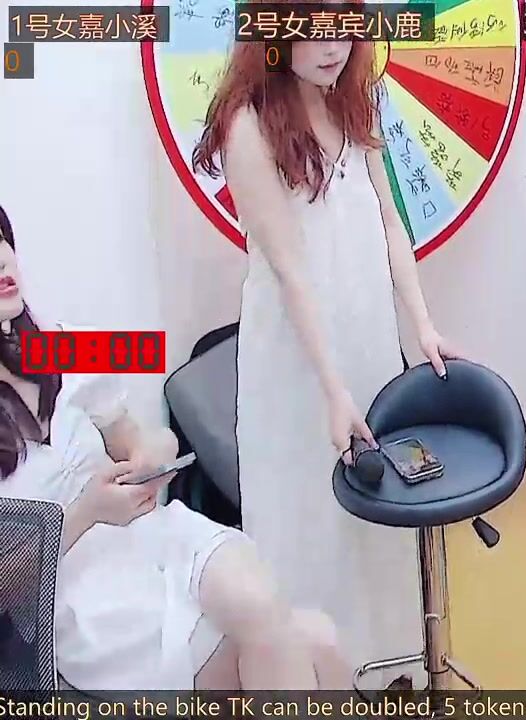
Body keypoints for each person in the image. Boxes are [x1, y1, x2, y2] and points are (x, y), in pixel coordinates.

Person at [191, 18, 463, 674]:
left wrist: (422, 325)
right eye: (313, 29)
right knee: (309, 517)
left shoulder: (353, 99)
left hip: (367, 337)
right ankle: (313, 679)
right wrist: (332, 389)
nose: (332, 46)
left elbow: (391, 223)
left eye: (344, 25)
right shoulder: (247, 124)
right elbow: (290, 270)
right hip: (296, 362)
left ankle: (388, 666)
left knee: (374, 512)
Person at [0, 203, 347, 690]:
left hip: (151, 536)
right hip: (88, 604)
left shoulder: (59, 344)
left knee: (277, 617)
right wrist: (87, 512)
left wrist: (153, 457)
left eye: (2, 240)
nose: (3, 259)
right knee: (315, 640)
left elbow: (139, 436)